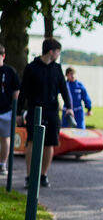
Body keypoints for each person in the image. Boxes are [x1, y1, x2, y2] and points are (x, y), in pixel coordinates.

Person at [18, 38, 74, 188]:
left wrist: (69, 107)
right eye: (57, 52)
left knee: (50, 144)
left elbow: (63, 89)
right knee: (31, 142)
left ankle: (43, 175)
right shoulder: (31, 68)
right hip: (34, 111)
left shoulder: (57, 68)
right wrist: (18, 113)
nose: (58, 55)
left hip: (52, 111)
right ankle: (30, 176)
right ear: (51, 52)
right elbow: (23, 91)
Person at [0, 44, 21, 176]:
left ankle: (3, 163)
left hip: (6, 110)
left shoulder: (10, 72)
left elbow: (16, 92)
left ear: (3, 56)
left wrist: (15, 109)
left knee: (5, 138)